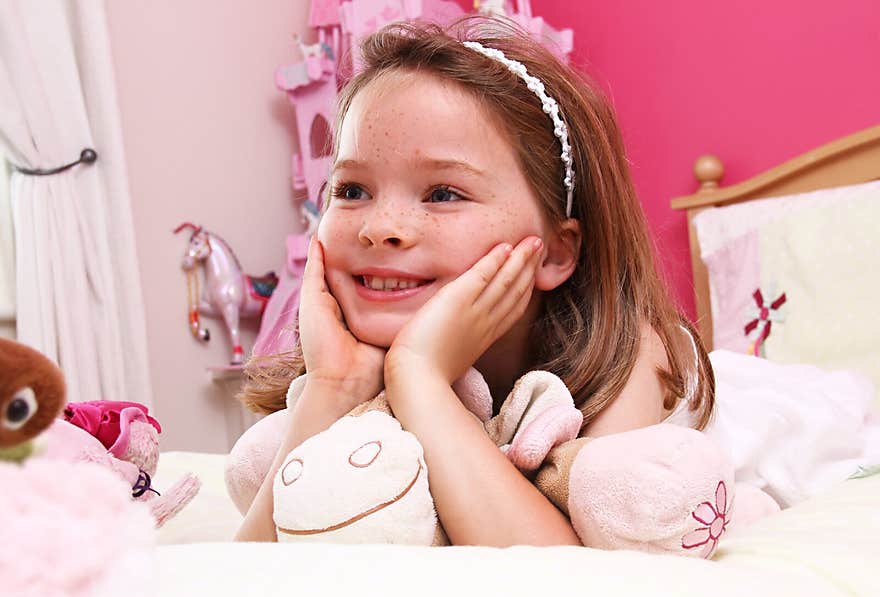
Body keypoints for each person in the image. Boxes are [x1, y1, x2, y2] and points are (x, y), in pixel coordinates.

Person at [233, 16, 714, 545]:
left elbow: (574, 585)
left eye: (442, 194)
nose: (380, 229)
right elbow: (247, 586)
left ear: (555, 251)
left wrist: (419, 377)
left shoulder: (631, 352)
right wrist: (334, 386)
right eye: (351, 190)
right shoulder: (346, 365)